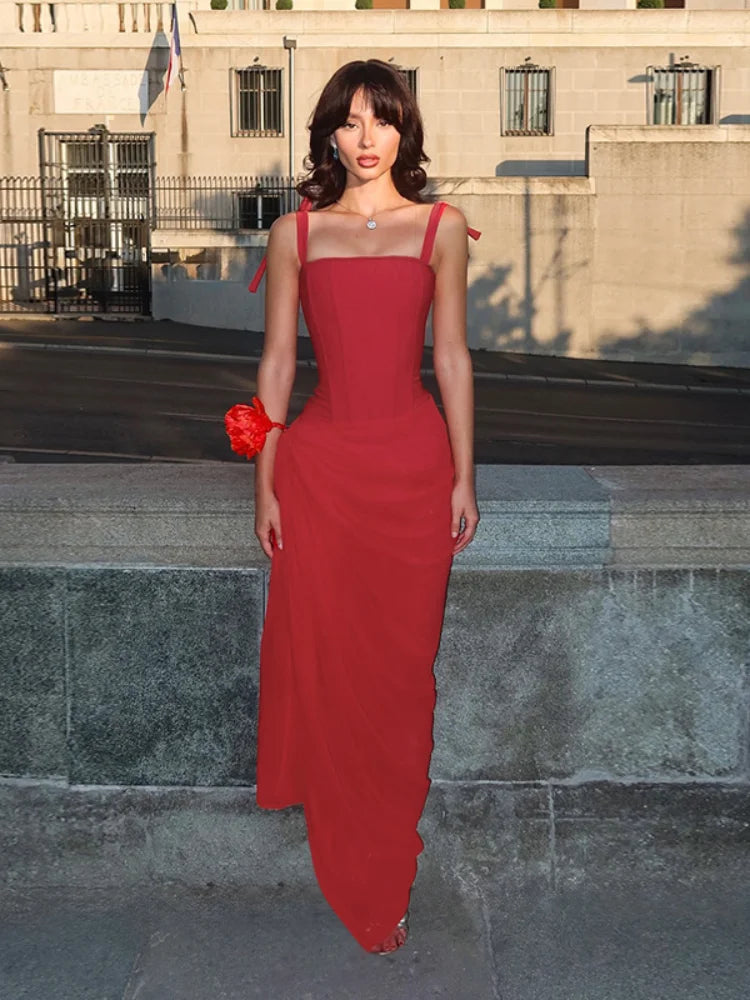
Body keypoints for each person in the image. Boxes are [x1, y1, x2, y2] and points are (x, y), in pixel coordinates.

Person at [228, 58, 480, 955]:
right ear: (328, 134)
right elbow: (277, 368)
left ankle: (389, 863)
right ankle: (363, 877)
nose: (366, 139)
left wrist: (463, 473)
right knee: (337, 679)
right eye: (349, 122)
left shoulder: (441, 228)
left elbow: (450, 357)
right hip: (323, 475)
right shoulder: (295, 234)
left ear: (406, 130)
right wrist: (264, 476)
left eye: (382, 120)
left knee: (402, 681)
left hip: (413, 474)